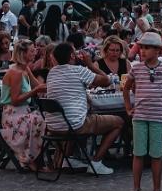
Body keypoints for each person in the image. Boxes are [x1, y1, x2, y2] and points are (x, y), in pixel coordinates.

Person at [45, 43, 123, 175]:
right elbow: (106, 81)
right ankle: (96, 162)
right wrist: (90, 65)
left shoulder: (52, 72)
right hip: (75, 125)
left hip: (54, 126)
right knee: (119, 122)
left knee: (77, 115)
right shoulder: (78, 70)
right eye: (75, 52)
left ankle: (67, 158)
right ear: (72, 55)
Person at [123, 32, 162, 191]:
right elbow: (126, 87)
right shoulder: (136, 68)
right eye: (142, 48)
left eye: (147, 48)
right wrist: (128, 107)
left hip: (157, 117)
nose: (143, 51)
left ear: (157, 50)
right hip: (140, 116)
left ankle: (157, 189)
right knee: (138, 153)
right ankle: (137, 189)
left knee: (156, 154)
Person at [0, 39, 48, 171]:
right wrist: (35, 91)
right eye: (32, 51)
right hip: (13, 115)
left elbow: (37, 85)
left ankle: (35, 158)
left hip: (23, 112)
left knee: (43, 118)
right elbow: (15, 100)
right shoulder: (16, 73)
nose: (35, 52)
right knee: (40, 120)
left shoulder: (25, 68)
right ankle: (33, 159)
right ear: (23, 53)